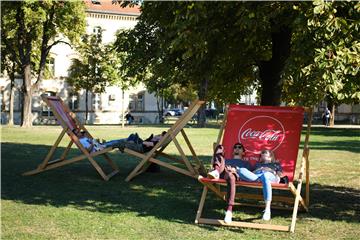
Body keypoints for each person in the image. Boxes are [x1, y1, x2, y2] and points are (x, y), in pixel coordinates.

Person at [207, 143, 250, 223]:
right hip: (223, 171)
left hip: (234, 174)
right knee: (220, 147)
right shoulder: (226, 160)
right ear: (233, 152)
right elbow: (219, 161)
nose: (237, 148)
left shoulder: (246, 163)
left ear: (243, 153)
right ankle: (216, 171)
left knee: (230, 176)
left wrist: (236, 169)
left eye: (240, 147)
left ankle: (229, 211)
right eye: (235, 147)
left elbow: (247, 173)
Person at [237, 149, 284, 221]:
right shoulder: (258, 164)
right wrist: (259, 169)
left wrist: (270, 170)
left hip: (269, 176)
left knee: (265, 176)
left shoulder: (275, 164)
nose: (263, 156)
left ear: (270, 157)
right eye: (262, 155)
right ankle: (260, 180)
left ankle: (267, 209)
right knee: (241, 170)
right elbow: (252, 173)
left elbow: (280, 174)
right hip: (257, 177)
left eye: (265, 154)